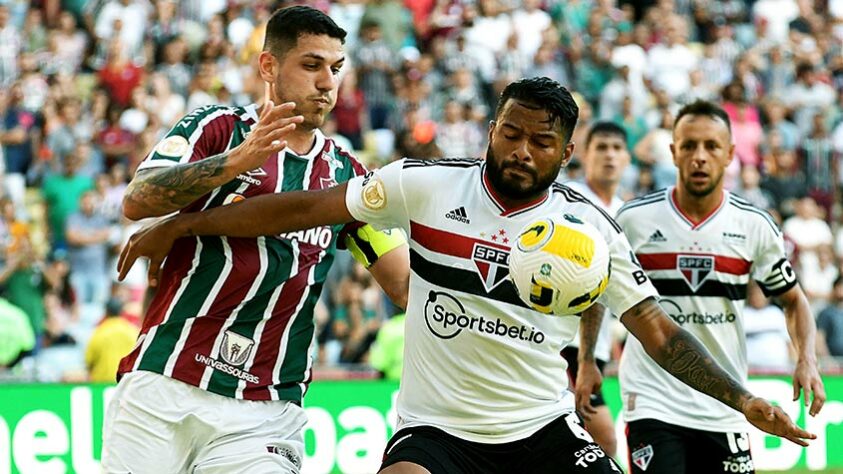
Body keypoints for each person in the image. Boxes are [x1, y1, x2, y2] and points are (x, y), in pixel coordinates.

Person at [118, 78, 816, 474]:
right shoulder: (424, 186)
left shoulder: (593, 233)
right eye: (509, 132)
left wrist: (741, 398)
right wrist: (184, 224)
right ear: (492, 127)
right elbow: (303, 206)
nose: (519, 150)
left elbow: (659, 332)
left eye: (540, 140)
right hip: (435, 433)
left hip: (539, 431)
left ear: (565, 151)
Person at [103, 6, 409, 473]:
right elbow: (138, 200)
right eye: (311, 65)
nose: (327, 83)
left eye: (336, 69)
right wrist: (236, 161)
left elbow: (404, 284)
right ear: (269, 67)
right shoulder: (217, 127)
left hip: (265, 411)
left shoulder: (349, 177)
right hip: (167, 380)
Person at [613, 100, 825, 474]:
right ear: (673, 152)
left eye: (711, 147)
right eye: (690, 145)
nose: (699, 156)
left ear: (729, 154)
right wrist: (587, 362)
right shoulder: (633, 220)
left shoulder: (754, 225)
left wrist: (806, 358)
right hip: (653, 400)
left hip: (726, 404)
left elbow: (794, 300)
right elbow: (600, 295)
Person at [560, 121, 631, 457]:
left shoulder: (626, 213)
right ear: (584, 155)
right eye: (601, 148)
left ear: (628, 158)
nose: (610, 156)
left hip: (597, 344)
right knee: (604, 438)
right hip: (563, 340)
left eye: (617, 149)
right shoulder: (568, 201)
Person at [85, 298, 138, 382]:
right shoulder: (133, 331)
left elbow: (89, 361)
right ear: (121, 312)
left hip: (102, 385)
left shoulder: (99, 332)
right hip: (126, 382)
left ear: (106, 312)